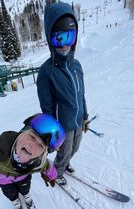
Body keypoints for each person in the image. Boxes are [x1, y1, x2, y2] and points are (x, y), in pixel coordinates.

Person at [37, 2, 89, 186]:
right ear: (50, 38)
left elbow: (81, 93)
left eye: (70, 37)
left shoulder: (77, 66)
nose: (65, 44)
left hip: (77, 120)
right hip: (62, 125)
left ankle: (65, 163)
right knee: (64, 150)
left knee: (75, 148)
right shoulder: (47, 71)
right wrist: (53, 133)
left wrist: (85, 116)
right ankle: (56, 172)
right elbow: (47, 106)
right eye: (58, 38)